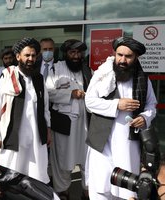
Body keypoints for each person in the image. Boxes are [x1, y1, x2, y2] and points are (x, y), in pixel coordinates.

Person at [85, 36, 157, 200]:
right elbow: (89, 102)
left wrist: (145, 117)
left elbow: (152, 105)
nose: (122, 60)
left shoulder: (144, 80)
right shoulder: (103, 74)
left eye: (128, 56)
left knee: (126, 189)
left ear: (136, 58)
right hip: (101, 141)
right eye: (119, 55)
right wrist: (117, 105)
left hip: (128, 143)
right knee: (100, 187)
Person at [0, 37, 52, 184]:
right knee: (11, 172)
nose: (30, 59)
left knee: (35, 173)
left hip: (35, 135)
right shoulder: (8, 75)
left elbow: (45, 107)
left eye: (33, 56)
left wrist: (47, 129)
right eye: (27, 55)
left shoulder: (39, 78)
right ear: (18, 57)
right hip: (13, 134)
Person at [45, 39, 92, 199]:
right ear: (66, 54)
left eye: (79, 52)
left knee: (87, 160)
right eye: (72, 52)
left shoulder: (87, 71)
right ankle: (63, 193)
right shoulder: (56, 69)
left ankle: (87, 192)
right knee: (63, 161)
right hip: (64, 125)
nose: (76, 56)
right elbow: (48, 94)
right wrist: (70, 94)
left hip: (84, 124)